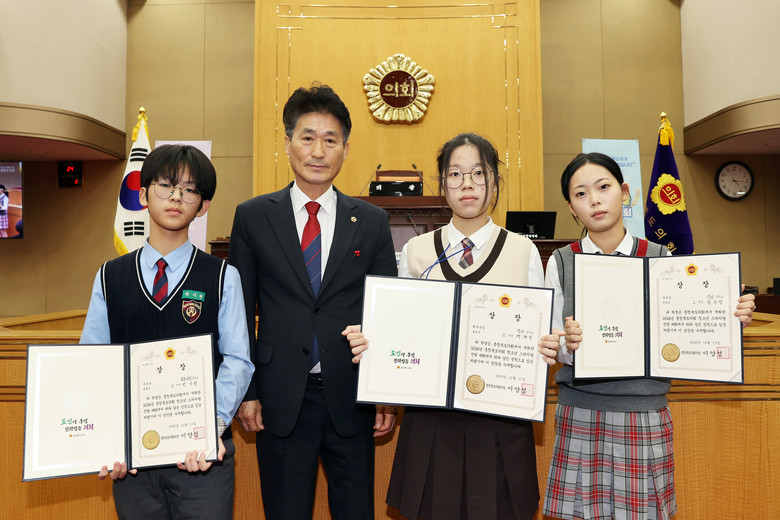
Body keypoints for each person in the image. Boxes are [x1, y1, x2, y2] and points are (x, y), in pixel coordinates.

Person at [347, 132, 562, 520]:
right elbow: (402, 330)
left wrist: (547, 346)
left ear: (494, 181)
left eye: (479, 173)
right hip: (432, 421)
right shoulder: (415, 252)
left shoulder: (523, 251)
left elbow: (540, 335)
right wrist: (374, 345)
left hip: (501, 420)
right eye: (456, 174)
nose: (468, 184)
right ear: (442, 183)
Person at [540, 152, 756, 520]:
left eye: (603, 187)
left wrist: (730, 317)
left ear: (624, 193)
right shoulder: (560, 261)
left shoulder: (660, 258)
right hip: (580, 409)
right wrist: (565, 344)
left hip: (642, 411)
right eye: (581, 194)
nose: (594, 200)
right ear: (571, 208)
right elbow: (553, 343)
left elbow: (684, 326)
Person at [227, 84, 398, 519]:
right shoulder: (253, 216)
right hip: (279, 398)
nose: (318, 151)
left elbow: (387, 313)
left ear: (345, 150)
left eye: (330, 140)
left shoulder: (372, 221)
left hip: (353, 397)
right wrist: (247, 391)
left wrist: (386, 391)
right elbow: (239, 312)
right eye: (307, 137)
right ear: (288, 144)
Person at [80, 144, 254, 520]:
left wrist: (210, 428)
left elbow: (238, 361)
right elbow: (93, 362)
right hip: (131, 458)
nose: (176, 197)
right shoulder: (109, 275)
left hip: (202, 457)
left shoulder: (223, 276)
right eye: (165, 186)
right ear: (143, 196)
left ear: (203, 206)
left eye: (189, 190)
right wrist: (107, 437)